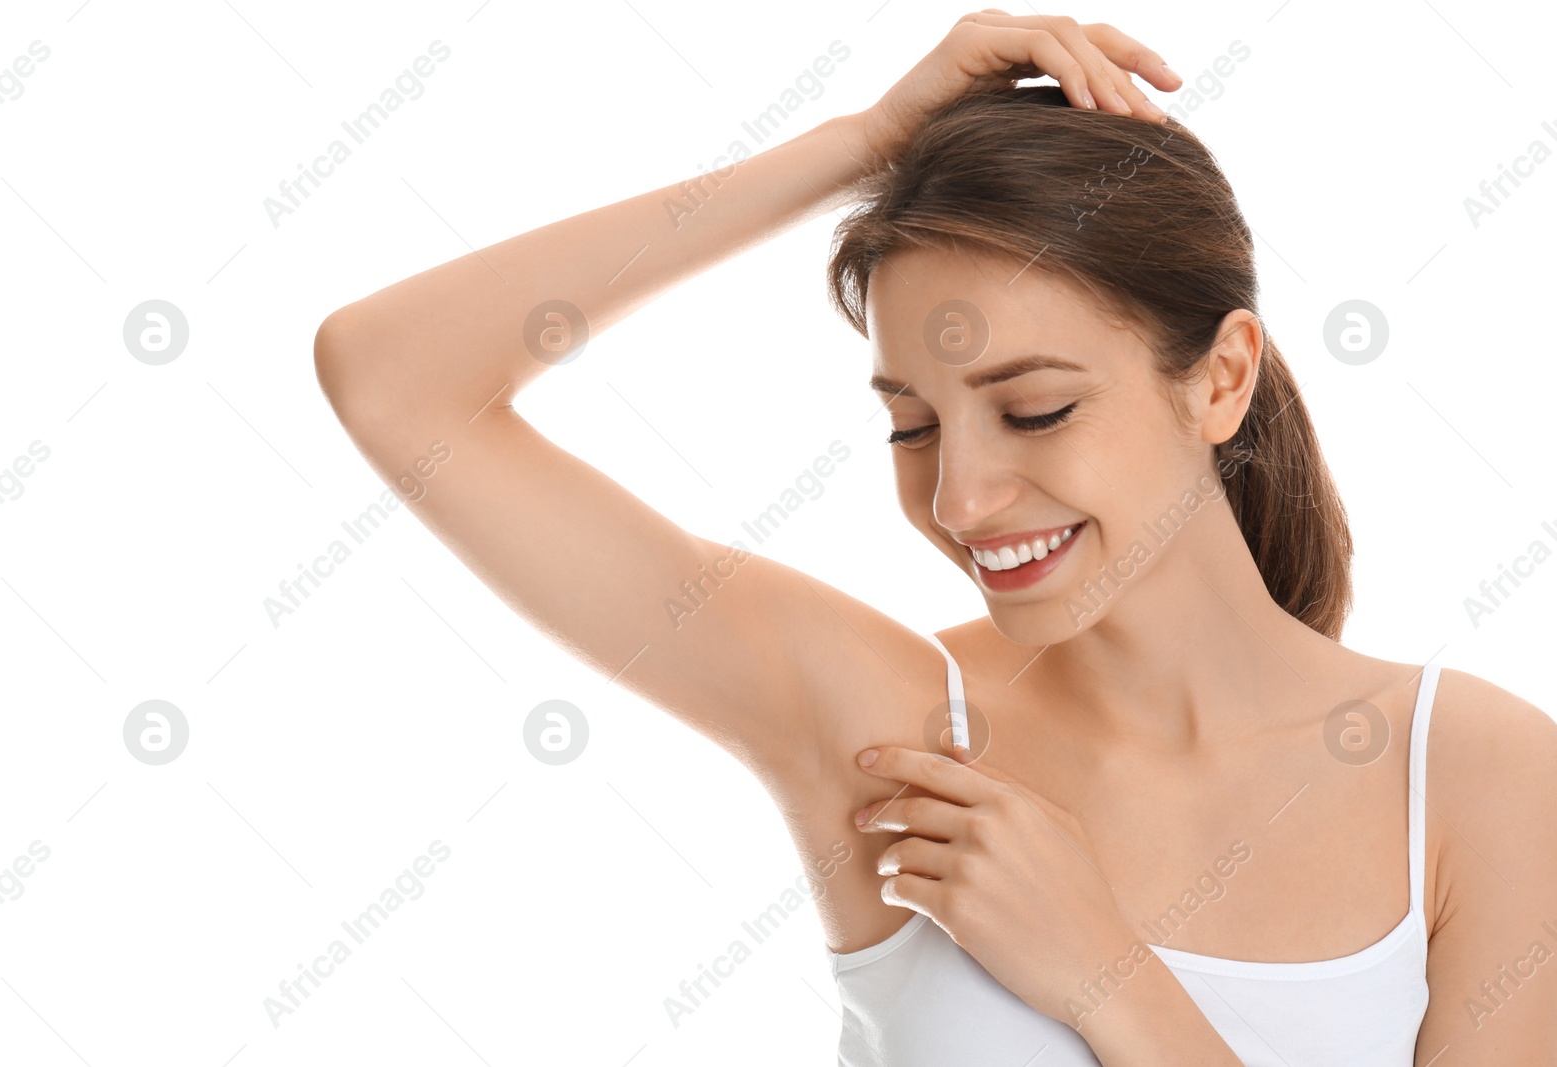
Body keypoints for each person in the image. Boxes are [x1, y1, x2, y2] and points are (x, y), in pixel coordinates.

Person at [312, 12, 1557, 1064]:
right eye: (911, 425)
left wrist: (1113, 979)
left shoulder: (1476, 777)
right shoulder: (893, 731)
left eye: (1035, 409)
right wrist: (857, 149)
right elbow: (393, 381)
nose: (960, 499)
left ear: (1220, 379)